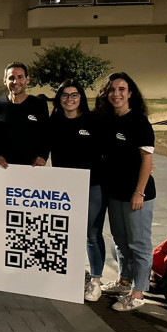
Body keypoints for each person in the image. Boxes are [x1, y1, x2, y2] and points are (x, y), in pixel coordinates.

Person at [96, 72, 156, 312]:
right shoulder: (107, 120)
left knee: (139, 244)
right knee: (121, 241)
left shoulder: (139, 122)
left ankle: (138, 292)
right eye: (112, 90)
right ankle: (124, 280)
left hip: (137, 194)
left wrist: (139, 192)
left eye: (122, 89)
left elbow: (147, 160)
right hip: (114, 193)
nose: (116, 94)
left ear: (130, 93)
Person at [49, 80, 107, 303]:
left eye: (74, 95)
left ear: (81, 97)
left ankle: (95, 281)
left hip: (93, 185)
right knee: (67, 233)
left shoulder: (93, 121)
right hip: (65, 187)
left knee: (91, 234)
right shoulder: (54, 121)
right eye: (65, 95)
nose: (69, 99)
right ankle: (71, 275)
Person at [0, 62, 50, 168]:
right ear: (5, 81)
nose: (15, 81)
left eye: (20, 77)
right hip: (4, 168)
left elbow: (46, 134)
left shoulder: (39, 105)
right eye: (11, 77)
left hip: (33, 167)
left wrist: (43, 156)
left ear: (27, 80)